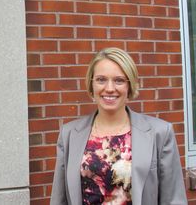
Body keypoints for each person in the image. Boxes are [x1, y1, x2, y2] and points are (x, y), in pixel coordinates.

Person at [50, 48, 187, 205]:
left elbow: (174, 199)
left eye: (119, 80)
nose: (109, 88)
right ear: (91, 84)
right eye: (101, 79)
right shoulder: (69, 134)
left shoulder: (160, 133)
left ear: (129, 86)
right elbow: (59, 200)